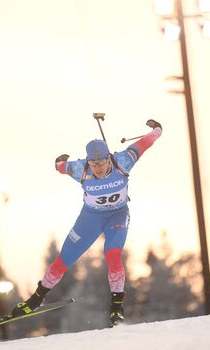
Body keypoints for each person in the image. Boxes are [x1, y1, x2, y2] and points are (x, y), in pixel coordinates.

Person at [11, 119, 163, 326]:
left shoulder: (124, 161)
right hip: (90, 218)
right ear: (88, 162)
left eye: (101, 163)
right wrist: (60, 161)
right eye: (93, 164)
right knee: (63, 260)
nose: (98, 169)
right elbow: (60, 167)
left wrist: (157, 129)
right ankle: (36, 299)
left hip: (117, 216)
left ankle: (116, 308)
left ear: (109, 158)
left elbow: (145, 143)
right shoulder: (80, 169)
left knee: (112, 253)